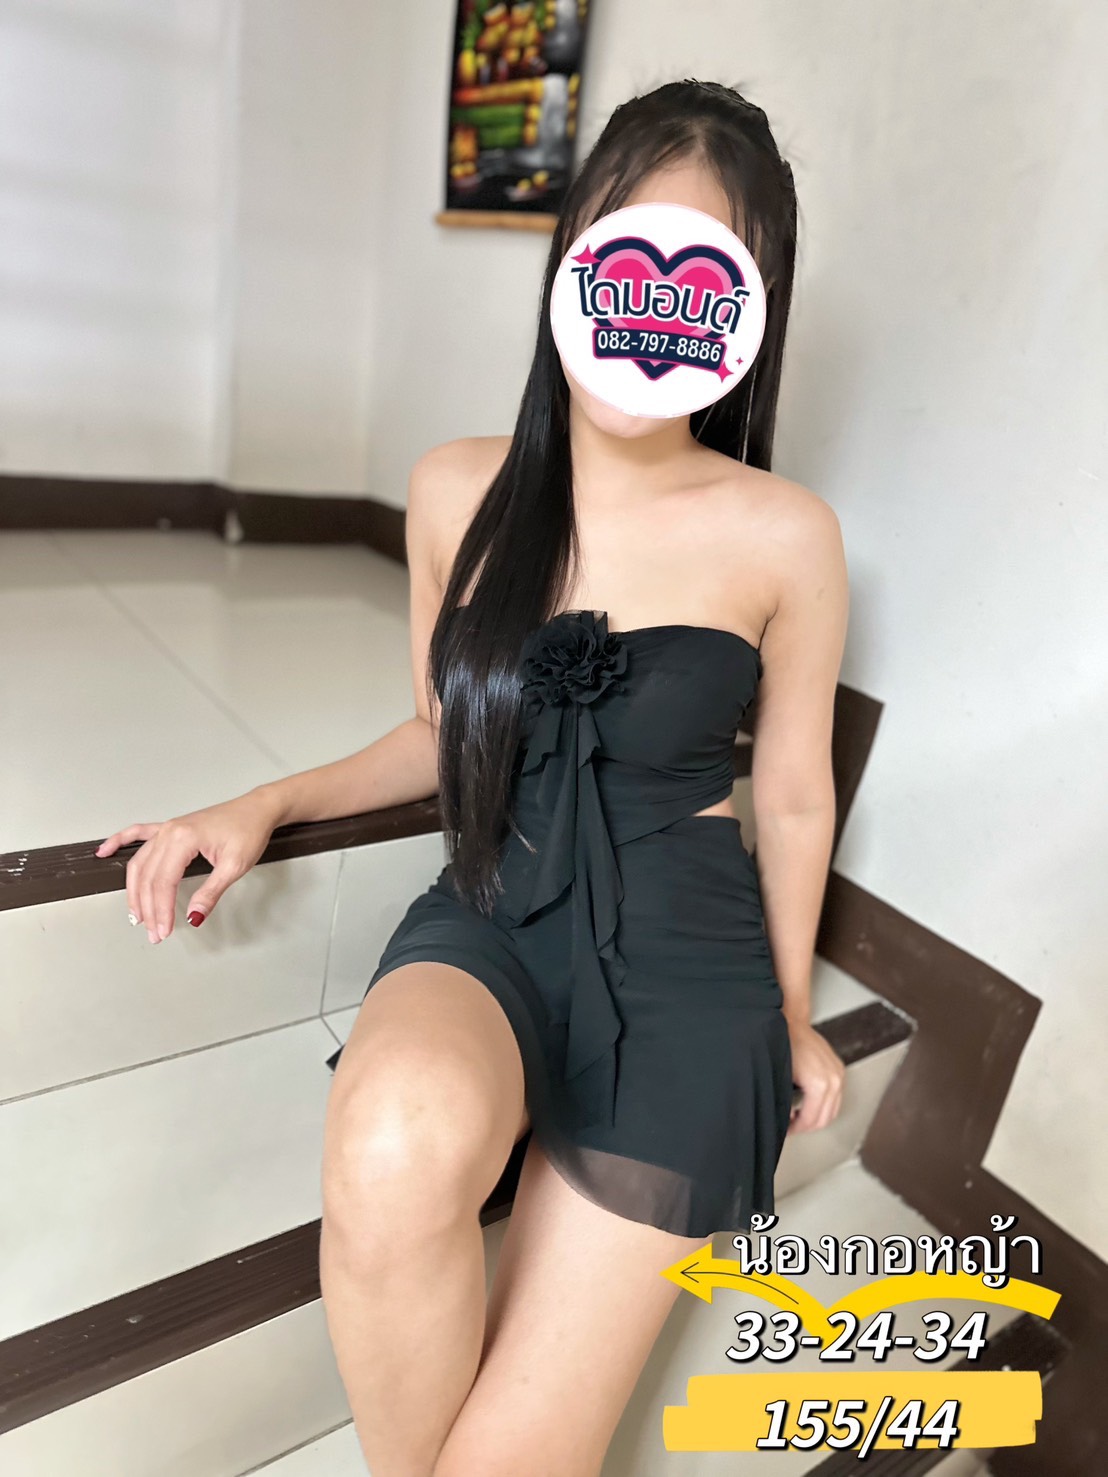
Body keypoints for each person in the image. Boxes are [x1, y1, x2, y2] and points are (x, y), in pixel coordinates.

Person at [96, 78, 848, 1477]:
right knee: (391, 1138)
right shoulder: (456, 489)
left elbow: (795, 791)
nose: (652, 309)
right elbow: (445, 734)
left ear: (747, 314)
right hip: (497, 905)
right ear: (573, 261)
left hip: (686, 963)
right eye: (625, 257)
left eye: (699, 279)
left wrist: (797, 1015)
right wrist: (266, 800)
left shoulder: (787, 534)